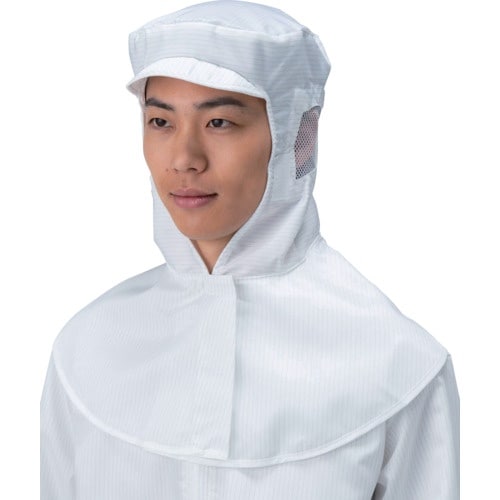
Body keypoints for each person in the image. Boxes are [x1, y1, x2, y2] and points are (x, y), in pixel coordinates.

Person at [40, 1, 460, 498]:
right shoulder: (86, 349)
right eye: (160, 122)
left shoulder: (399, 363)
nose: (184, 159)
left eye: (219, 122)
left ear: (298, 137)